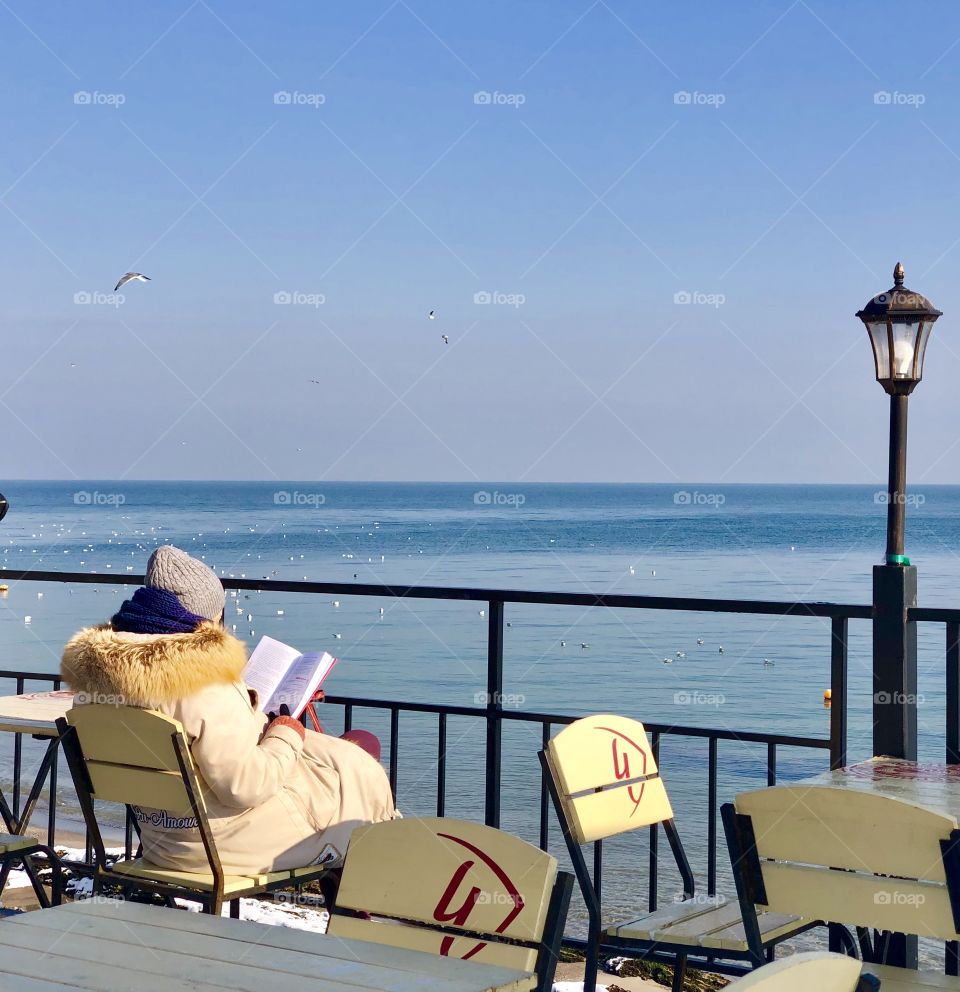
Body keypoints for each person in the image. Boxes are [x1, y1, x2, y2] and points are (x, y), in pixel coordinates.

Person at [61, 545, 398, 875]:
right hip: (224, 849)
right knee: (354, 778)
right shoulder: (203, 684)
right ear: (206, 619)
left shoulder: (96, 681)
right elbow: (246, 787)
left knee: (349, 756)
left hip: (160, 841)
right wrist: (285, 730)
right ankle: (363, 906)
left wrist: (248, 706)